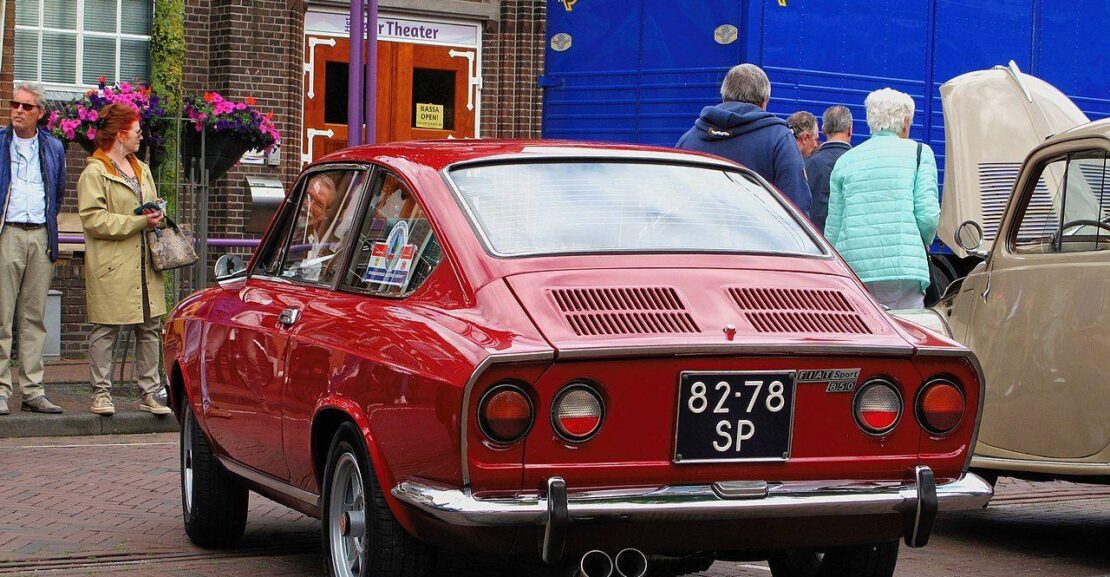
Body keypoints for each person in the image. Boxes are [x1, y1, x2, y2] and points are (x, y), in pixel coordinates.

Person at [77, 103, 171, 416]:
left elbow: (150, 202)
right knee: (106, 328)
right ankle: (101, 394)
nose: (141, 137)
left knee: (150, 326)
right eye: (136, 132)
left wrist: (157, 211)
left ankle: (150, 391)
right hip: (114, 263)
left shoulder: (141, 169)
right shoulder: (95, 172)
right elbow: (94, 220)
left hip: (145, 262)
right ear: (120, 135)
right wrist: (138, 222)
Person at [824, 89, 939, 309]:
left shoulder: (846, 161)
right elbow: (928, 217)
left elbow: (833, 228)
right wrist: (921, 243)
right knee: (906, 333)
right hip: (903, 266)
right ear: (906, 122)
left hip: (854, 269)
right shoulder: (919, 153)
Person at [0, 81, 66, 416]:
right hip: (6, 233)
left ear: (40, 113)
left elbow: (58, 192)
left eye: (26, 106)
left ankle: (32, 391)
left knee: (33, 318)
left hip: (40, 236)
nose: (18, 111)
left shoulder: (53, 148)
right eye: (15, 105)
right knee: (1, 315)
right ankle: (0, 390)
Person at [676, 63, 811, 216]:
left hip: (699, 236)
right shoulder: (779, 139)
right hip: (757, 238)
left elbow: (674, 200)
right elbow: (796, 206)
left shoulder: (688, 140)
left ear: (724, 96)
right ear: (764, 101)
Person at [806, 105, 854, 233]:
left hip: (814, 240)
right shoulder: (860, 163)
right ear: (850, 130)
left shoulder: (807, 164)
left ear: (824, 130)